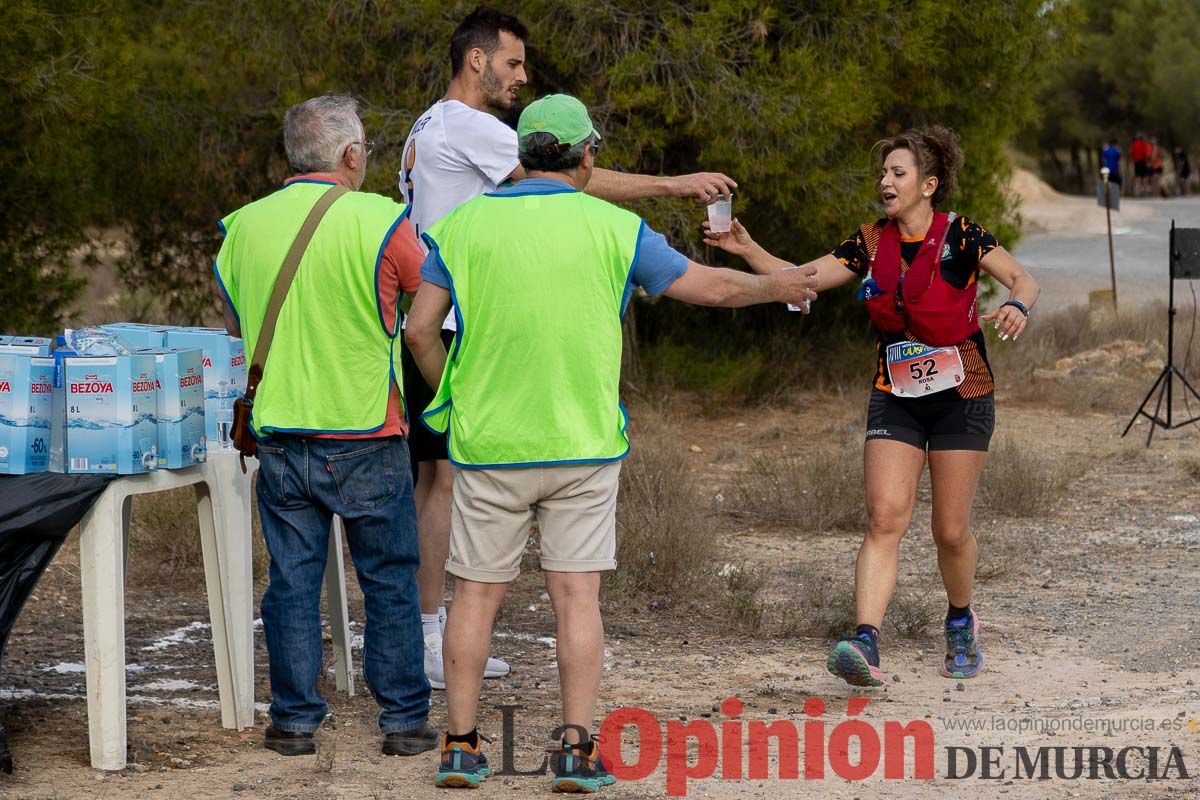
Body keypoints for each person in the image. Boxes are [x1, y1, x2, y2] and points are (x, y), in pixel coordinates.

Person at [405, 94, 817, 792]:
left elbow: (419, 329)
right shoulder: (617, 227)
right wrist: (776, 284)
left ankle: (461, 748)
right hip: (582, 444)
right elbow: (710, 291)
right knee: (576, 598)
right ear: (586, 155)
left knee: (473, 597)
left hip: (489, 444)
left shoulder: (461, 226)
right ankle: (574, 753)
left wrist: (455, 400)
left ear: (523, 153)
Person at [399, 4, 741, 692]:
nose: (521, 77)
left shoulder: (426, 124)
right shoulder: (471, 127)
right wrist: (675, 184)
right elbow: (562, 177)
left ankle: (430, 635)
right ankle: (432, 639)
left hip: (436, 317)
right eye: (513, 63)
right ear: (476, 61)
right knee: (450, 485)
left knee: (439, 481)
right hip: (464, 329)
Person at [705, 126, 1039, 687]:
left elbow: (1022, 278)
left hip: (962, 395)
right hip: (896, 394)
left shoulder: (963, 236)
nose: (885, 182)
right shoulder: (870, 241)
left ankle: (960, 619)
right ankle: (866, 641)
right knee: (885, 518)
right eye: (883, 174)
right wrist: (745, 248)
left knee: (950, 530)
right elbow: (802, 280)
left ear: (929, 185)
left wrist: (1018, 306)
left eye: (898, 173)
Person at [214, 95, 437, 757]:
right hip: (366, 429)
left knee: (291, 584)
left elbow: (237, 326)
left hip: (280, 433)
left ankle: (294, 722)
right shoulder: (382, 219)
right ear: (350, 154)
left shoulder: (241, 229)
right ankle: (402, 722)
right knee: (390, 580)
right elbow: (426, 299)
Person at [1131, 132, 1150, 197]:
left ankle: (1138, 192)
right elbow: (1147, 154)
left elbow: (1132, 153)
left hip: (1137, 162)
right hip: (1143, 162)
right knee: (1144, 177)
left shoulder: (1134, 144)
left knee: (1138, 177)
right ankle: (1145, 191)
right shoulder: (1144, 144)